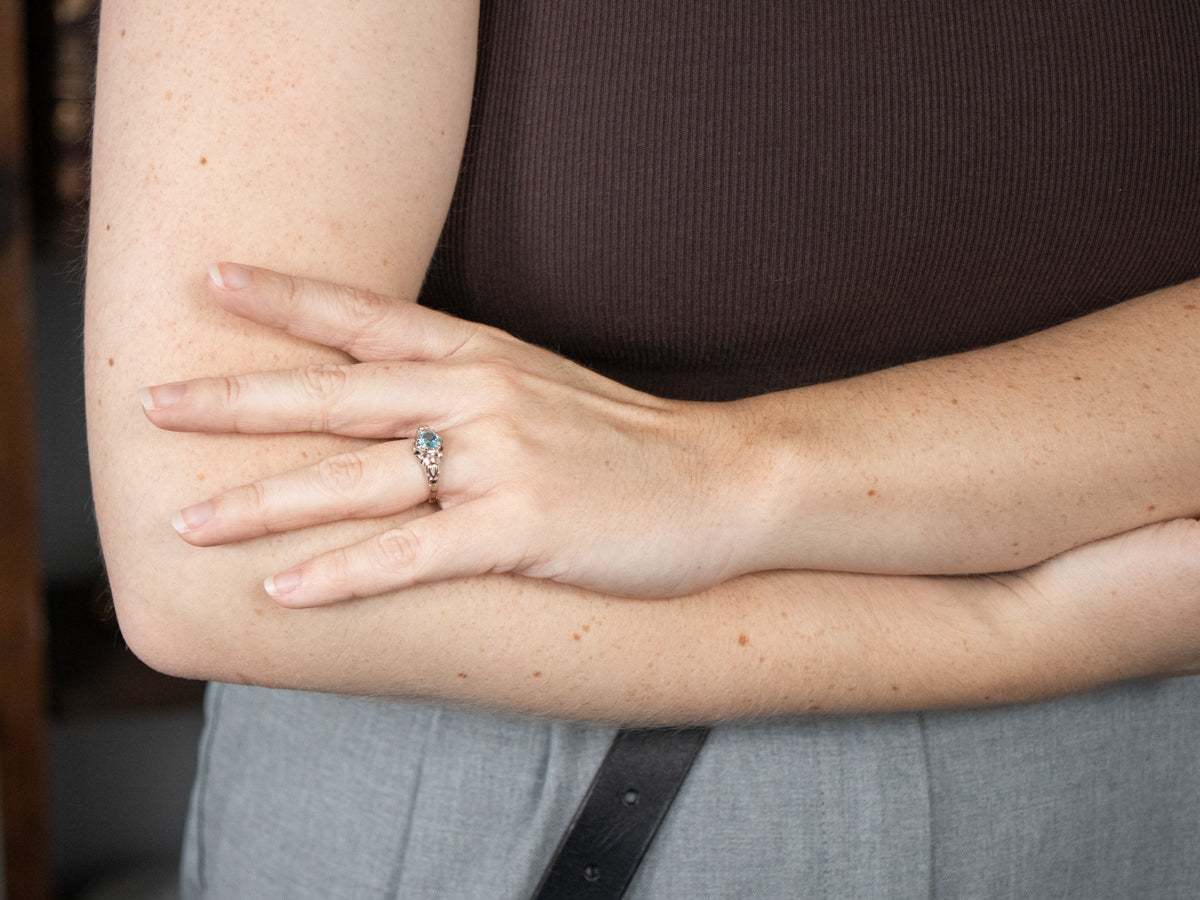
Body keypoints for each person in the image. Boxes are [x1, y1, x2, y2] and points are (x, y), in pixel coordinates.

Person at [86, 1, 1200, 897]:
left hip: (1150, 766)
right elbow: (212, 561)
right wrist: (1013, 623)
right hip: (542, 783)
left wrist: (734, 473)